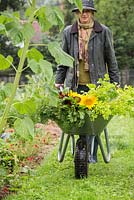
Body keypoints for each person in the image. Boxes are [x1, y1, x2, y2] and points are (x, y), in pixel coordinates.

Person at [55, 0, 120, 163]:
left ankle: (91, 154)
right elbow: (64, 59)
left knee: (94, 122)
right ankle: (83, 151)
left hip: (96, 85)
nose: (83, 14)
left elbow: (111, 59)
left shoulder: (103, 31)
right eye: (80, 11)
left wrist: (115, 82)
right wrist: (59, 80)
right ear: (77, 13)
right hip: (74, 85)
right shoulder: (69, 32)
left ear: (92, 13)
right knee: (79, 120)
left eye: (87, 11)